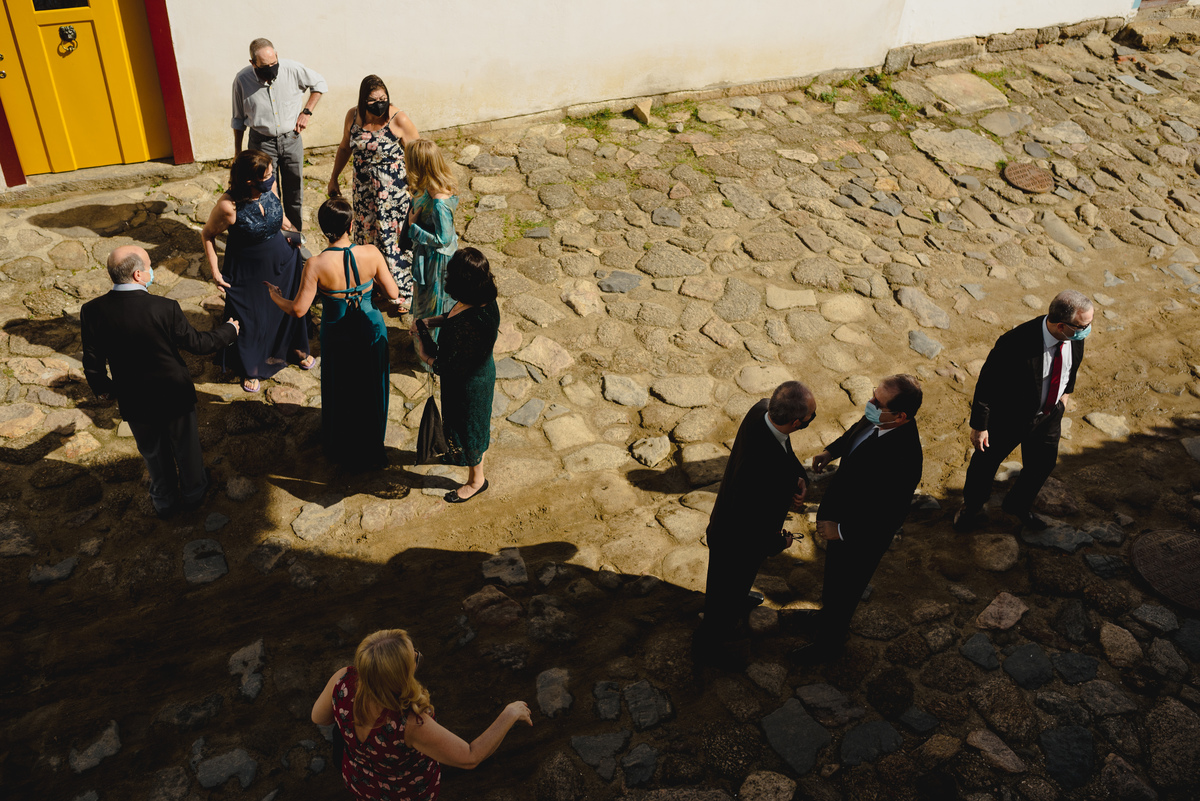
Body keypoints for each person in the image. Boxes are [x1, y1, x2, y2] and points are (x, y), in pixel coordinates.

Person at [81, 246, 240, 518]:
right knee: (186, 447)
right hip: (173, 393)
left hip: (133, 396)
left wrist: (104, 390)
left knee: (152, 452)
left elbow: (92, 360)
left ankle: (164, 501)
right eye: (149, 265)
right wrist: (229, 330)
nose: (152, 270)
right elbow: (198, 344)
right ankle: (194, 492)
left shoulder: (92, 310)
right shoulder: (165, 307)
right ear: (138, 274)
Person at [791, 375, 924, 663]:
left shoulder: (906, 459)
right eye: (874, 395)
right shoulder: (880, 417)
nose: (870, 403)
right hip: (840, 516)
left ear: (901, 416)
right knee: (832, 583)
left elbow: (888, 518)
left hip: (860, 538)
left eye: (878, 402)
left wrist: (841, 530)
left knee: (845, 591)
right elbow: (857, 432)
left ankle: (828, 646)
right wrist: (831, 451)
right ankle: (826, 617)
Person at [311, 629, 533, 800]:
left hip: (359, 782)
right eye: (414, 658)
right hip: (404, 795)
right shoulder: (409, 723)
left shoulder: (342, 679)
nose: (417, 656)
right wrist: (510, 713)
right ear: (399, 676)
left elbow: (318, 718)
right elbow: (470, 757)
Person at [267, 197, 401, 470]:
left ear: (323, 229)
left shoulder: (315, 264)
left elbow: (298, 309)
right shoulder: (372, 253)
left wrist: (275, 297)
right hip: (371, 329)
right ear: (350, 226)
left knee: (342, 387)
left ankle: (343, 445)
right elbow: (393, 292)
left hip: (338, 334)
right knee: (371, 386)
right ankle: (371, 443)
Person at [693, 381, 813, 668]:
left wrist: (798, 477)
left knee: (732, 584)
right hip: (737, 541)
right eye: (812, 416)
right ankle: (708, 649)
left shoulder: (761, 411)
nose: (812, 419)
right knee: (722, 598)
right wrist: (779, 542)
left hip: (730, 525)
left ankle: (737, 599)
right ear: (797, 423)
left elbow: (784, 450)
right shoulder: (764, 470)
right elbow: (752, 524)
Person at [954, 290, 1093, 533]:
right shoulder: (1015, 342)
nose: (1087, 330)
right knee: (984, 465)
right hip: (1009, 417)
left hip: (1049, 415)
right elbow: (987, 385)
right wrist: (980, 426)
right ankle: (972, 507)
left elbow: (1072, 366)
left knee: (1042, 465)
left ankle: (1017, 506)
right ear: (1061, 326)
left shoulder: (1074, 335)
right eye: (1084, 326)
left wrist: (1065, 396)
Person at [203, 149, 312, 393]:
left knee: (286, 306)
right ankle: (250, 365)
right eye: (267, 176)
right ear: (249, 180)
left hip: (282, 260)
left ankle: (293, 347)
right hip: (249, 270)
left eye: (272, 173)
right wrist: (215, 272)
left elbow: (279, 215)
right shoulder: (228, 206)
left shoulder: (270, 188)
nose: (272, 179)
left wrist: (293, 232)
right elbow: (207, 234)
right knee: (251, 317)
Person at [411, 248, 499, 502]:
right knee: (465, 427)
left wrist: (425, 355)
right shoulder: (480, 298)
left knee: (471, 430)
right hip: (470, 378)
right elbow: (452, 317)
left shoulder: (472, 324)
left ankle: (476, 481)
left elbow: (447, 366)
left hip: (470, 386)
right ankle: (461, 457)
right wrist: (429, 322)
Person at [327, 75, 420, 311]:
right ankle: (376, 285)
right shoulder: (353, 116)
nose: (379, 104)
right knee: (367, 237)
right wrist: (334, 177)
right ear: (363, 100)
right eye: (373, 100)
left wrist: (420, 189)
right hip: (364, 192)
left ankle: (404, 293)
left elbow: (419, 155)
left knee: (393, 239)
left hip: (392, 195)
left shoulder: (399, 119)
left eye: (383, 98)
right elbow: (344, 147)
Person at [231, 37, 326, 231]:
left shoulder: (292, 69)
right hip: (260, 144)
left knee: (294, 190)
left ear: (277, 56)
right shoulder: (242, 80)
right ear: (253, 63)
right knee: (265, 192)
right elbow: (238, 120)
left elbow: (320, 84)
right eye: (264, 66)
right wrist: (237, 152)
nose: (271, 68)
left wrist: (306, 112)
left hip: (291, 139)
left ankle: (295, 235)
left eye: (274, 63)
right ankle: (274, 235)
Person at [405, 138, 459, 347]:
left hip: (437, 262)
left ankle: (432, 350)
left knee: (434, 306)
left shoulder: (440, 202)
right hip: (428, 255)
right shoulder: (429, 186)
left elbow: (443, 239)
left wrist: (413, 227)